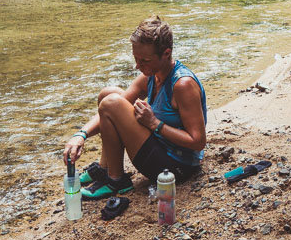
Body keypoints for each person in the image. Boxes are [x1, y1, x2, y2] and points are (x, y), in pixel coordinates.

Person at [62, 16, 206, 200]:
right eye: (136, 59)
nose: (138, 66)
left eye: (144, 60)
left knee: (111, 102)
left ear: (166, 53)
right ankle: (104, 167)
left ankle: (116, 180)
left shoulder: (183, 85)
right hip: (159, 148)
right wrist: (79, 136)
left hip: (175, 168)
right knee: (108, 94)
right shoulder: (151, 76)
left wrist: (155, 123)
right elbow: (113, 104)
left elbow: (198, 141)